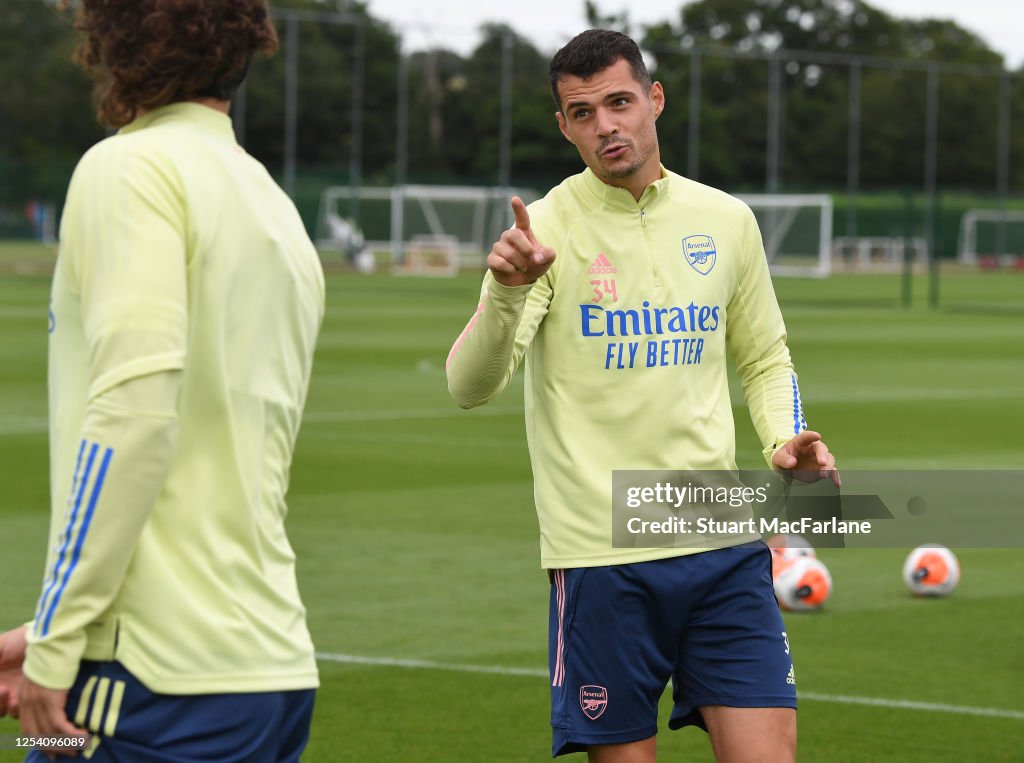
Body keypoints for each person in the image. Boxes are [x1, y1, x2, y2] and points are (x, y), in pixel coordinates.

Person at [446, 29, 839, 763]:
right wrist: (506, 291)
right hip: (602, 554)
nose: (607, 126)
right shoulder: (544, 232)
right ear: (564, 125)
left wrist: (785, 438)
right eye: (583, 113)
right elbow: (470, 385)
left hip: (722, 540)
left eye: (619, 103)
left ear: (654, 100)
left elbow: (764, 355)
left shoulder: (726, 221)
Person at [0, 1, 324, 759]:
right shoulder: (273, 207)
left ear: (110, 36)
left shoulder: (127, 168)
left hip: (147, 678)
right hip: (269, 666)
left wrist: (55, 642)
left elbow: (135, 416)